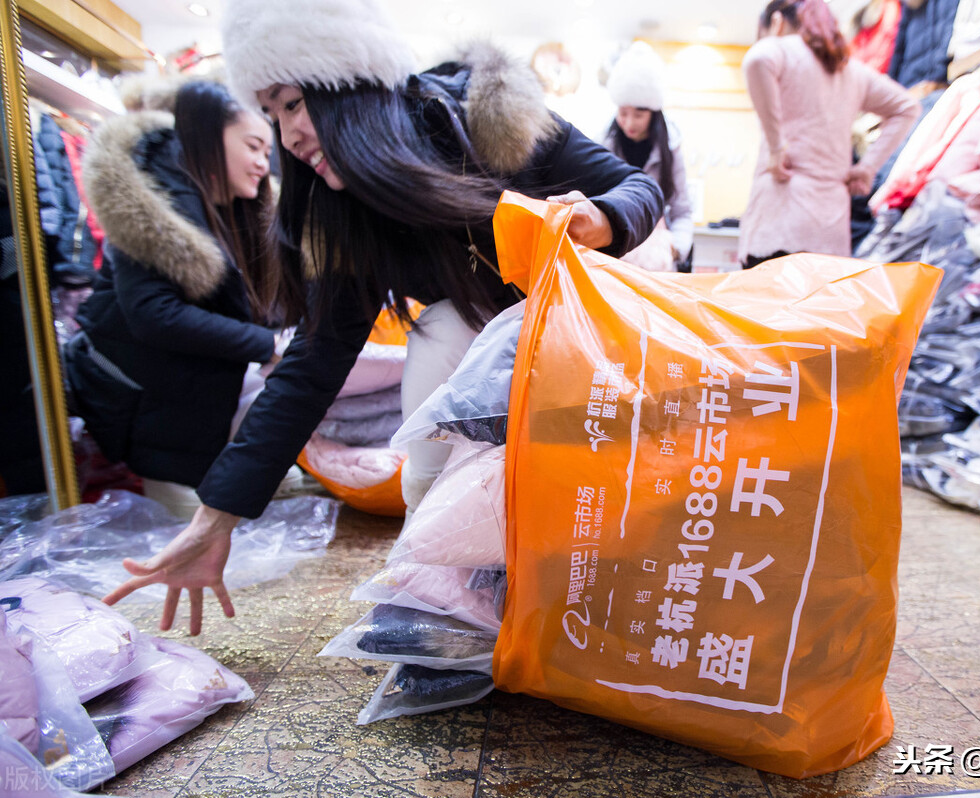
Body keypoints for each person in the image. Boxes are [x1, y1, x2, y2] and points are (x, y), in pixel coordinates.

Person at [102, 0, 663, 634]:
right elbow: (313, 365)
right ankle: (443, 612)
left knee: (595, 494)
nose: (287, 137)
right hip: (488, 347)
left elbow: (639, 187)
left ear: (346, 83)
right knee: (440, 353)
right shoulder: (346, 213)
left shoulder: (492, 115)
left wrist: (602, 219)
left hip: (600, 325)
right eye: (269, 115)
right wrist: (214, 519)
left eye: (291, 104)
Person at [64, 79, 278, 516]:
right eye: (253, 146)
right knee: (186, 538)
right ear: (210, 134)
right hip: (156, 416)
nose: (261, 163)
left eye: (265, 152)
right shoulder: (156, 196)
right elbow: (154, 313)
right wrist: (266, 345)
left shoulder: (213, 206)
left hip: (180, 416)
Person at [739, 0, 919, 268]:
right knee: (818, 308)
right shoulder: (850, 70)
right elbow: (907, 107)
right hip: (829, 229)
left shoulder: (783, 49)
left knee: (767, 307)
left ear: (776, 22)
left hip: (779, 219)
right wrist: (867, 167)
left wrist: (777, 147)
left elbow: (757, 57)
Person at [601, 42, 694, 272]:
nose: (629, 123)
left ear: (654, 113)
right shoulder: (603, 145)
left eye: (639, 114)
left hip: (657, 263)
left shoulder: (671, 149)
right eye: (623, 113)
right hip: (614, 259)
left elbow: (683, 211)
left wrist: (675, 247)